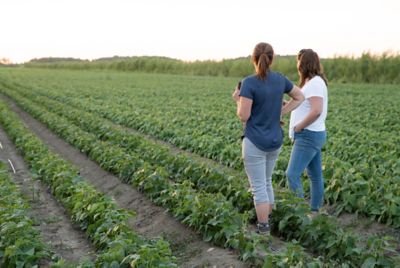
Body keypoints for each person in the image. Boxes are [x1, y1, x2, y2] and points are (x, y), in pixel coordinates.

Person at [232, 42, 304, 234]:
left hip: (255, 141)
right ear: (272, 58)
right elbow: (300, 96)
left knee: (258, 187)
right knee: (266, 181)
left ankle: (263, 227)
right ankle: (268, 218)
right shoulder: (280, 79)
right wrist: (282, 111)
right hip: (275, 141)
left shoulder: (249, 83)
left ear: (253, 58)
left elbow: (243, 116)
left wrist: (238, 99)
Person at [286, 49, 328, 215]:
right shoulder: (312, 83)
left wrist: (299, 127)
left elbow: (316, 110)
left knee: (292, 174)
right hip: (313, 134)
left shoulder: (315, 83)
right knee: (315, 176)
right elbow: (304, 106)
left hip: (308, 135)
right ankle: (314, 212)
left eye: (299, 61)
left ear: (303, 64)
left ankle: (301, 214)